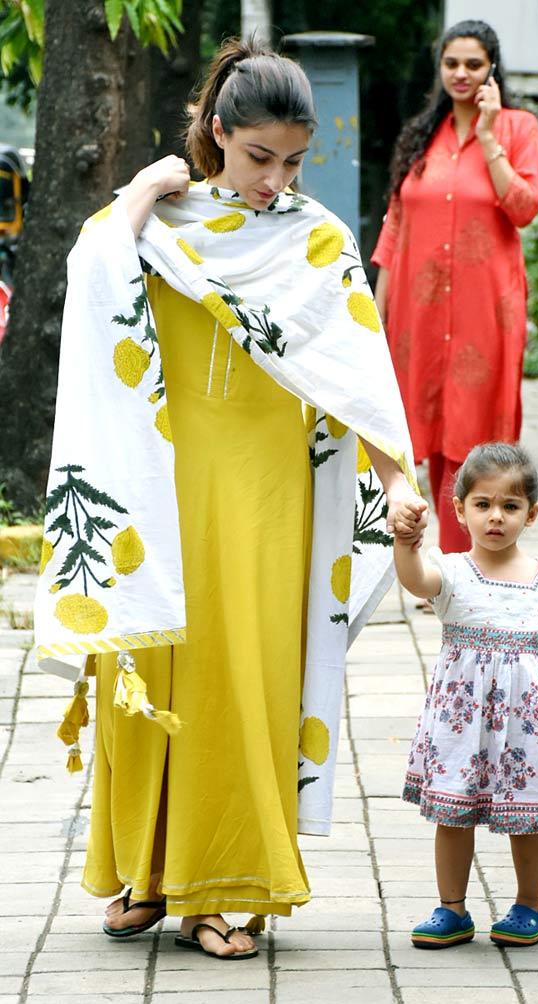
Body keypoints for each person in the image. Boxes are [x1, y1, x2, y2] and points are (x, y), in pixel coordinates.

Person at [34, 37, 424, 961]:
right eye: (258, 157)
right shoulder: (157, 224)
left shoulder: (317, 240)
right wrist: (135, 194)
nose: (274, 180)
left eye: (292, 161)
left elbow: (359, 372)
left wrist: (397, 481)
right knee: (157, 659)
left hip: (265, 488)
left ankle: (230, 886)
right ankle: (148, 872)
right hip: (158, 474)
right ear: (217, 132)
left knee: (243, 672)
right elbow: (88, 286)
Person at [393, 442, 538, 948]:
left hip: (529, 724)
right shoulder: (449, 572)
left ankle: (529, 905)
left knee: (528, 814)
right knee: (453, 814)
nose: (496, 517)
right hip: (462, 721)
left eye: (510, 506)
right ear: (460, 509)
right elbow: (415, 581)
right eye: (483, 504)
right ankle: (452, 909)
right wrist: (405, 544)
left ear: (530, 514)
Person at [372, 21, 538, 553]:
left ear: (492, 67)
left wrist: (489, 137)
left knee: (471, 435)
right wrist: (373, 313)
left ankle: (459, 564)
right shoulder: (422, 136)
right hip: (416, 313)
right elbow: (394, 227)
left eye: (473, 64)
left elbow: (523, 209)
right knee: (403, 431)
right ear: (440, 68)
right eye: (452, 64)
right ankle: (405, 555)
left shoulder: (519, 127)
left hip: (484, 312)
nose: (462, 74)